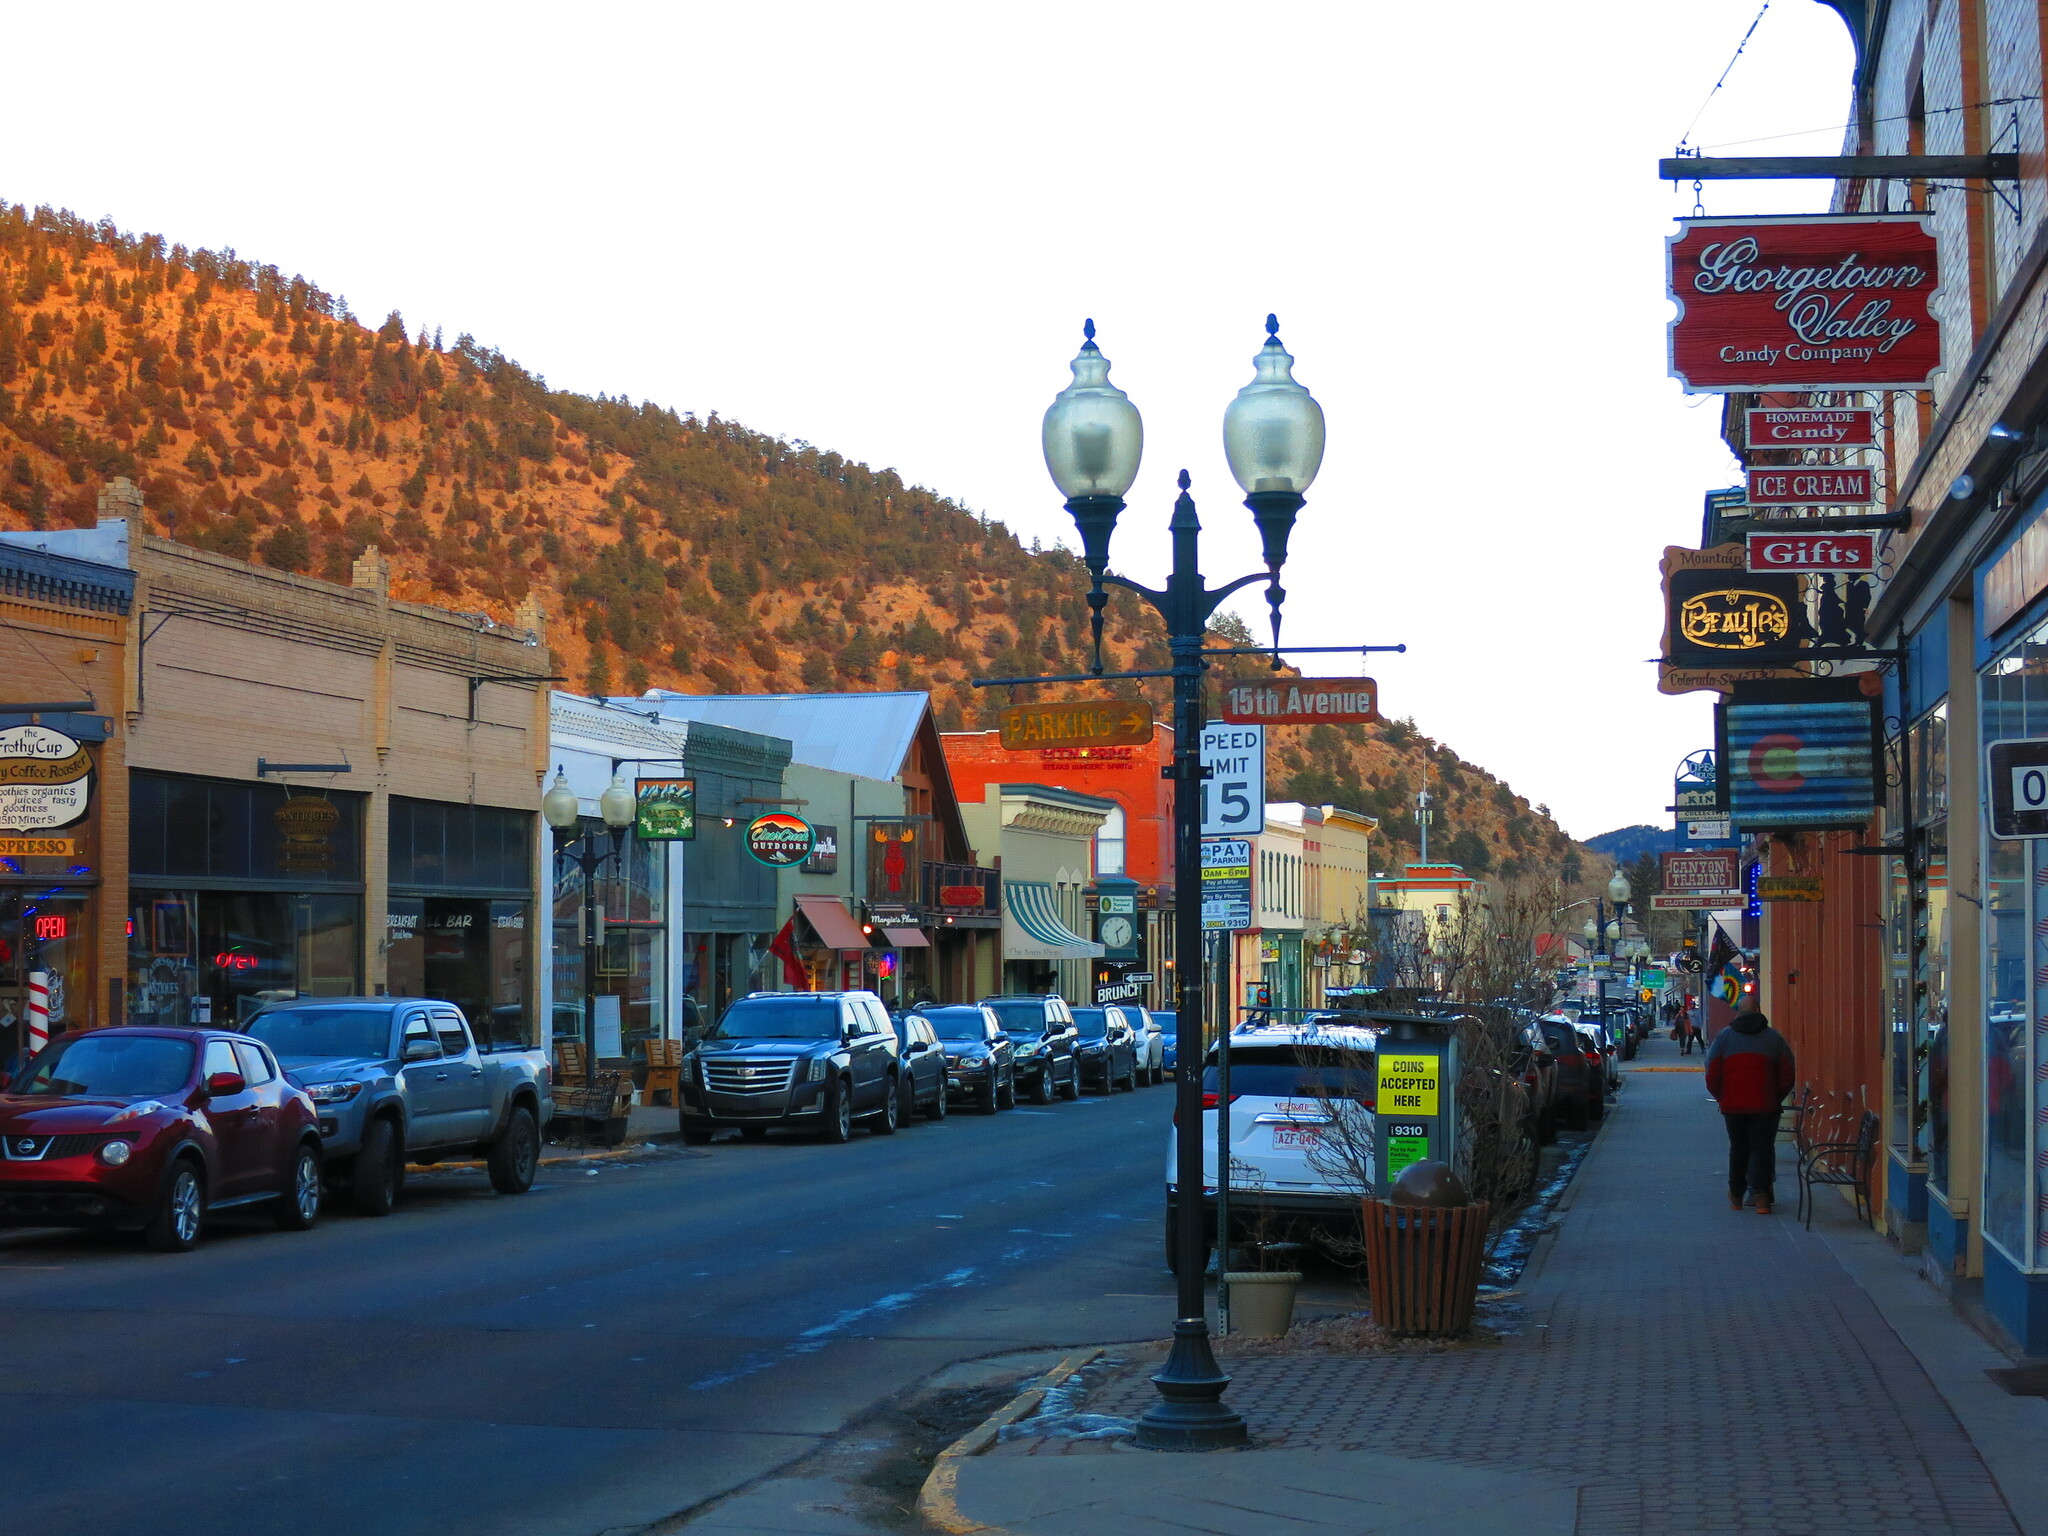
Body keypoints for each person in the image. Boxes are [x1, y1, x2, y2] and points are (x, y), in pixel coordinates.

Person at [1705, 1007, 1795, 1213]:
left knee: (1738, 1149)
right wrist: (1775, 1096)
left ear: (1738, 1013)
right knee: (1762, 1149)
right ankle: (1761, 1198)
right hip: (1765, 1105)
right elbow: (1787, 1072)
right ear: (1758, 1011)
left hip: (1733, 1106)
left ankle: (1736, 1196)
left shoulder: (1724, 1037)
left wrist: (1722, 1097)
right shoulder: (1774, 1038)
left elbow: (1712, 1072)